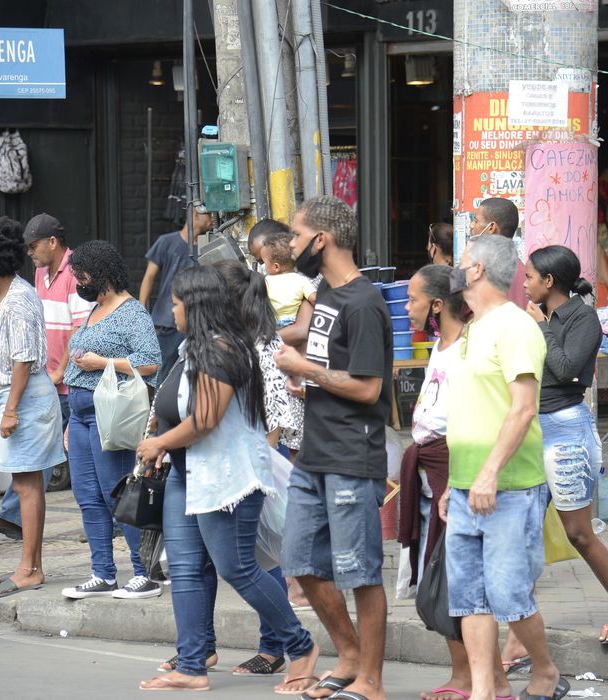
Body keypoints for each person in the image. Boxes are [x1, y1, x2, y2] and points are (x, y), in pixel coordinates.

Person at [135, 265, 320, 693]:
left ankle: (300, 645)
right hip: (188, 474)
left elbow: (204, 420)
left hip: (226, 479)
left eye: (177, 304)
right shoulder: (191, 349)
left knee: (237, 568)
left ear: (195, 307)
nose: (172, 311)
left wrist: (159, 443)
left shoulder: (223, 351)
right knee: (184, 569)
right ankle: (192, 664)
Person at [273, 195, 393, 700]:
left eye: (297, 237)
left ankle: (371, 679)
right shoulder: (323, 292)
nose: (291, 246)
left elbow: (369, 389)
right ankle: (348, 655)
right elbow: (333, 369)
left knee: (360, 572)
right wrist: (312, 382)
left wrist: (307, 371)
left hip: (351, 453)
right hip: (315, 451)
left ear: (321, 239)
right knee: (299, 561)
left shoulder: (364, 302)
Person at [440, 234, 568, 700]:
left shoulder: (515, 327)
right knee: (469, 599)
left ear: (475, 271)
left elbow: (523, 409)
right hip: (464, 484)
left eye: (461, 261)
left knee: (510, 597)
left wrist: (490, 472)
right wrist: (455, 482)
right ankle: (483, 690)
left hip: (508, 486)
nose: (456, 268)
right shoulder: (474, 326)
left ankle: (546, 669)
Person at [399, 264, 497, 700]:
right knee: (440, 575)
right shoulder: (440, 345)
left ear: (438, 304)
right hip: (429, 466)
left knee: (454, 579)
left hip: (454, 464)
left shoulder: (470, 348)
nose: (406, 308)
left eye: (413, 300)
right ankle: (478, 676)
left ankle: (474, 677)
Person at [521, 245, 608, 640]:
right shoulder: (534, 316)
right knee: (524, 531)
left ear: (548, 281)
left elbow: (565, 371)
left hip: (566, 429)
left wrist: (541, 326)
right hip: (532, 429)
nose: (523, 283)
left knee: (578, 532)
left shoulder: (583, 319)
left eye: (529, 277)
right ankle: (520, 633)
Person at [60, 240, 161, 600]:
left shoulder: (132, 313)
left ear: (102, 275)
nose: (79, 283)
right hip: (82, 414)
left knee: (117, 494)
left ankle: (143, 572)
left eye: (82, 276)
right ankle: (103, 573)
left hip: (111, 415)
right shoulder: (96, 310)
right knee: (88, 496)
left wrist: (101, 363)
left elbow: (150, 363)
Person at [0, 217, 65, 599]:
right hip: (15, 397)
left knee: (27, 486)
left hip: (24, 399)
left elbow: (23, 360)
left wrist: (10, 410)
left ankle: (30, 568)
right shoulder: (8, 296)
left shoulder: (20, 299)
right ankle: (30, 565)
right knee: (26, 485)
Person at [0, 214, 92, 538]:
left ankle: (16, 516)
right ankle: (14, 515)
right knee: (41, 456)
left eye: (34, 246)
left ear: (53, 242)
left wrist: (60, 371)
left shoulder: (75, 272)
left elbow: (80, 326)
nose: (30, 253)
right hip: (44, 376)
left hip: (67, 376)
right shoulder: (39, 273)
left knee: (66, 453)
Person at [139, 209, 211, 376]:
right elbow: (149, 277)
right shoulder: (166, 242)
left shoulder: (207, 246)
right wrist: (142, 313)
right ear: (194, 215)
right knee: (162, 371)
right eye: (208, 214)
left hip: (199, 321)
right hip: (167, 319)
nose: (212, 218)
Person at [250, 218, 317, 350]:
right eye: (259, 261)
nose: (262, 266)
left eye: (264, 261)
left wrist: (258, 342)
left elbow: (300, 331)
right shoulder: (266, 282)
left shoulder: (308, 278)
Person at [469, 198, 527, 308]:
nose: (471, 226)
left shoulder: (484, 273)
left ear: (491, 228)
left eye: (475, 221)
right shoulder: (524, 273)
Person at [261, 230, 318, 329]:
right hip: (294, 323)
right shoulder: (301, 280)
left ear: (276, 267)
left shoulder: (266, 281)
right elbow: (314, 299)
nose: (263, 266)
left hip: (272, 324)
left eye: (264, 263)